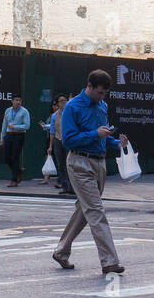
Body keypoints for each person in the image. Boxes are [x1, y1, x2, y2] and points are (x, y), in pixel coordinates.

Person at [52, 69, 126, 275]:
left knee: (86, 209)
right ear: (89, 86)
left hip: (99, 162)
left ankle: (61, 251)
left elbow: (102, 136)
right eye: (99, 93)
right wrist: (96, 133)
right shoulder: (72, 107)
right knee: (95, 210)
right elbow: (67, 139)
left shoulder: (102, 106)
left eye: (105, 94)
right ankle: (109, 261)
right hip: (79, 162)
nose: (102, 97)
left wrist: (115, 142)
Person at [0, 94, 30, 186]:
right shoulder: (8, 111)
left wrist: (15, 127)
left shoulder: (24, 111)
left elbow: (27, 125)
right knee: (6, 158)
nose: (18, 102)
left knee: (15, 157)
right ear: (12, 101)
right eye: (16, 100)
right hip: (8, 135)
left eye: (19, 100)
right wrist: (2, 138)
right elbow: (4, 125)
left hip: (19, 135)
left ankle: (14, 180)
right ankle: (18, 171)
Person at [50, 94, 73, 195]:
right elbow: (52, 131)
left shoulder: (71, 113)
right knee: (61, 165)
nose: (64, 103)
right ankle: (65, 187)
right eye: (61, 101)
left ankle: (72, 187)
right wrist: (50, 146)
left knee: (70, 165)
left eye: (65, 100)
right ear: (57, 104)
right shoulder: (54, 116)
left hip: (69, 141)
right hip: (58, 140)